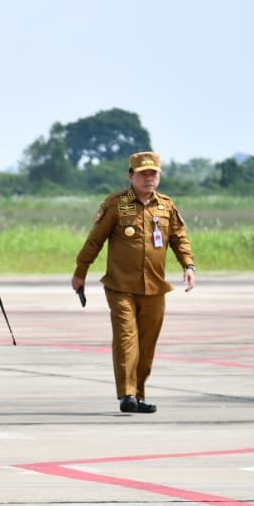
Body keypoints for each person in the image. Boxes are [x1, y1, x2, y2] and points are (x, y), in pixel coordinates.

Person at [72, 150, 196, 414]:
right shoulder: (116, 204)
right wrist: (80, 272)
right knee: (126, 337)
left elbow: (179, 238)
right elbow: (95, 240)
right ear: (131, 176)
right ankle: (127, 394)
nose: (149, 178)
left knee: (147, 344)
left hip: (155, 287)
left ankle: (138, 394)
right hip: (120, 286)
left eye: (153, 173)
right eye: (143, 174)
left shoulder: (166, 206)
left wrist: (188, 265)